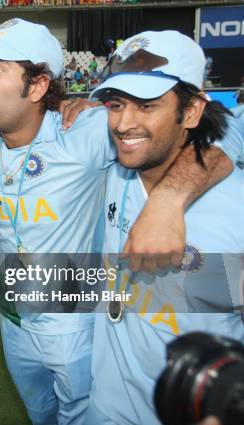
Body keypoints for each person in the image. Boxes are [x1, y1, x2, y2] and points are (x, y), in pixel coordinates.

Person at [0, 19, 240, 425]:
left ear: (38, 86)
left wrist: (167, 199)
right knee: (40, 415)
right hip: (13, 318)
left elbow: (224, 134)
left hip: (76, 316)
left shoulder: (85, 131)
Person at [85, 30, 244, 425]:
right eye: (116, 104)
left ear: (191, 111)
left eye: (146, 105)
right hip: (105, 407)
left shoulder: (235, 210)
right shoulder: (113, 172)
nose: (124, 123)